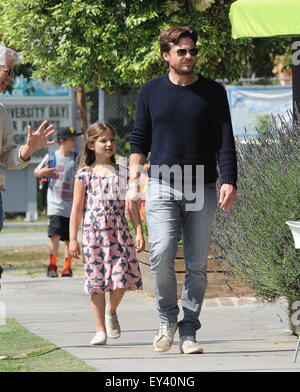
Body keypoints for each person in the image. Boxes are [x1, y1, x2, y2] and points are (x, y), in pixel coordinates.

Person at [128, 26, 237, 354]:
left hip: (201, 184)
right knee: (160, 252)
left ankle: (189, 329)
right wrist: (133, 180)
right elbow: (139, 139)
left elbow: (225, 140)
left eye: (192, 51)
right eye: (182, 51)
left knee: (196, 263)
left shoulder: (213, 92)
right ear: (166, 55)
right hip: (162, 182)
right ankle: (167, 318)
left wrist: (229, 179)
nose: (189, 56)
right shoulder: (149, 91)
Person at [69, 122, 144, 345]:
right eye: (103, 140)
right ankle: (100, 329)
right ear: (91, 145)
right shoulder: (84, 175)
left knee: (121, 278)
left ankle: (111, 312)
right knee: (97, 282)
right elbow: (76, 209)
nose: (109, 144)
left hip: (119, 234)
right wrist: (73, 238)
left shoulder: (124, 172)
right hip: (94, 236)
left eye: (111, 139)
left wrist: (139, 231)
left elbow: (132, 206)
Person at [0, 44, 55, 287]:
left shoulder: (2, 112)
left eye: (11, 72)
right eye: (7, 71)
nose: (10, 78)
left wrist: (26, 150)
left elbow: (7, 157)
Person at [34, 127, 82, 278]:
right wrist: (43, 172)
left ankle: (67, 267)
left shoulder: (77, 158)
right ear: (62, 141)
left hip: (71, 206)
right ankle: (52, 265)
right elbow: (36, 171)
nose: (74, 142)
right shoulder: (52, 157)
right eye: (72, 139)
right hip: (55, 205)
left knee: (69, 239)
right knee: (54, 236)